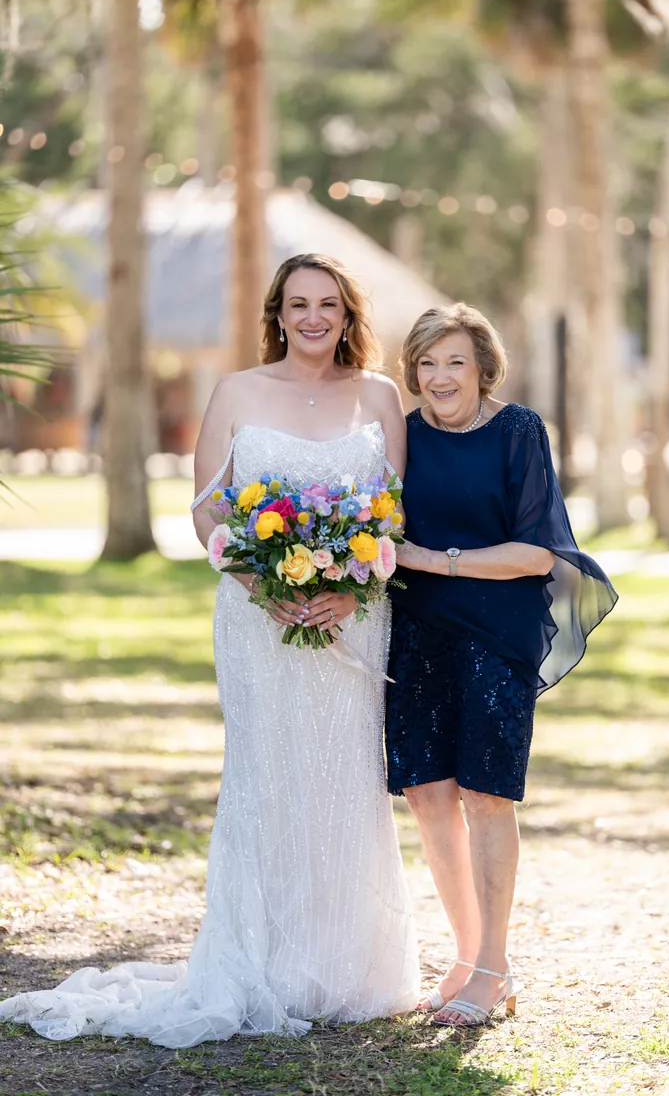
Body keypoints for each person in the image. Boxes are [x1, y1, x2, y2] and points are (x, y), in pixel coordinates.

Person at [0, 254, 420, 1045]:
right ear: (278, 312)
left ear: (348, 314)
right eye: (298, 304)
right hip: (257, 616)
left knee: (344, 774)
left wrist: (352, 584)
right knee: (268, 772)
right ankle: (262, 960)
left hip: (351, 615)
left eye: (328, 304)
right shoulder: (237, 392)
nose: (313, 318)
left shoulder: (379, 396)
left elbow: (391, 516)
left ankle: (347, 964)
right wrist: (266, 585)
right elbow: (206, 510)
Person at [386, 303, 617, 1027]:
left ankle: (493, 964)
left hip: (496, 634)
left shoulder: (518, 431)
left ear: (484, 368)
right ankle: (469, 955)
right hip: (416, 636)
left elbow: (540, 551)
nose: (440, 376)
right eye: (426, 362)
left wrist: (434, 559)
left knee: (486, 796)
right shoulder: (403, 435)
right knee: (427, 795)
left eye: (455, 361)